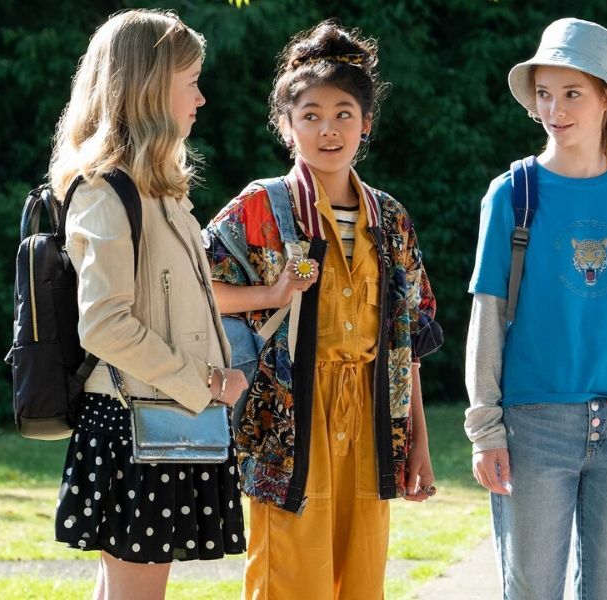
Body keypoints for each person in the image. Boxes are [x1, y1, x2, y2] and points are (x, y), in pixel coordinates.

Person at [203, 20, 443, 599]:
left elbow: (406, 340)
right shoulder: (263, 206)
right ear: (286, 126)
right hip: (288, 418)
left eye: (343, 113)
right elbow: (197, 291)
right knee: (289, 580)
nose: (327, 129)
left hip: (370, 416)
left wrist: (420, 446)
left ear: (366, 124)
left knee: (362, 583)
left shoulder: (390, 220)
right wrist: (269, 294)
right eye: (309, 114)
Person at [464, 17, 607, 600]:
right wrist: (485, 428)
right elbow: (487, 317)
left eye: (572, 94)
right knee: (532, 591)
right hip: (533, 424)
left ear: (606, 99)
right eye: (544, 94)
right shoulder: (512, 194)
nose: (554, 110)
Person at [51, 9, 248, 599]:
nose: (202, 97)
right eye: (190, 81)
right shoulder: (105, 191)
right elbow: (106, 326)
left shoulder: (155, 189)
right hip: (135, 425)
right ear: (150, 87)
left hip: (157, 419)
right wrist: (206, 380)